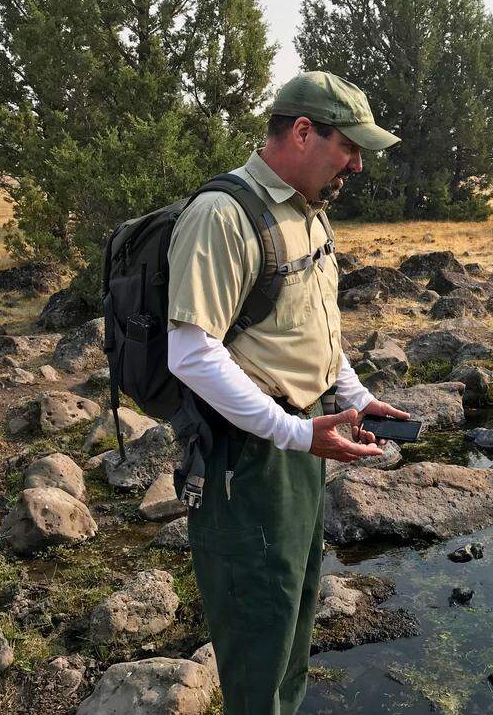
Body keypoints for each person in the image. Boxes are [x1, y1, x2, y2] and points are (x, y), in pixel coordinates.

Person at [165, 71, 409, 714]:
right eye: (349, 147)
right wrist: (296, 433)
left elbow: (313, 328)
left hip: (302, 448)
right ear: (303, 131)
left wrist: (354, 396)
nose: (357, 164)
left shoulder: (309, 214)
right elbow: (190, 353)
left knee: (295, 619)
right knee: (259, 635)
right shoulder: (223, 215)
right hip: (243, 464)